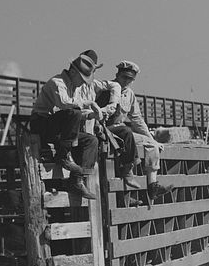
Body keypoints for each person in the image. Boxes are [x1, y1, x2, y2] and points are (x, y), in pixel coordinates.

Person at [30, 49, 109, 199]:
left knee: (91, 140)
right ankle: (64, 155)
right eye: (82, 79)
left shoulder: (75, 88)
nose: (82, 84)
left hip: (59, 127)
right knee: (74, 113)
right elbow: (65, 104)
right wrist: (90, 103)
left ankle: (77, 180)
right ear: (74, 73)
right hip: (41, 124)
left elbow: (78, 108)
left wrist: (93, 114)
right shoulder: (57, 82)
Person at [97, 61, 174, 200]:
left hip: (120, 130)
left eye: (130, 79)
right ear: (117, 75)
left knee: (152, 145)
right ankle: (127, 175)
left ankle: (153, 186)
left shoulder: (130, 94)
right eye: (124, 77)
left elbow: (137, 119)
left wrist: (151, 139)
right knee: (125, 134)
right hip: (105, 129)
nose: (126, 81)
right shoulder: (106, 90)